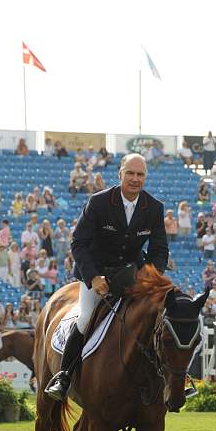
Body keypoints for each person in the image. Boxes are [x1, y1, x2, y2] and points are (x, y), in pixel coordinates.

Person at [45, 153, 169, 402]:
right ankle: (64, 376)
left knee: (155, 319)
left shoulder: (154, 207)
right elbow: (78, 243)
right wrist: (92, 277)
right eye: (130, 173)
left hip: (131, 276)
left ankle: (170, 380)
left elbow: (159, 250)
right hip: (96, 273)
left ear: (145, 177)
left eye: (140, 174)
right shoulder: (99, 202)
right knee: (86, 317)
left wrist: (151, 277)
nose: (135, 179)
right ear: (120, 174)